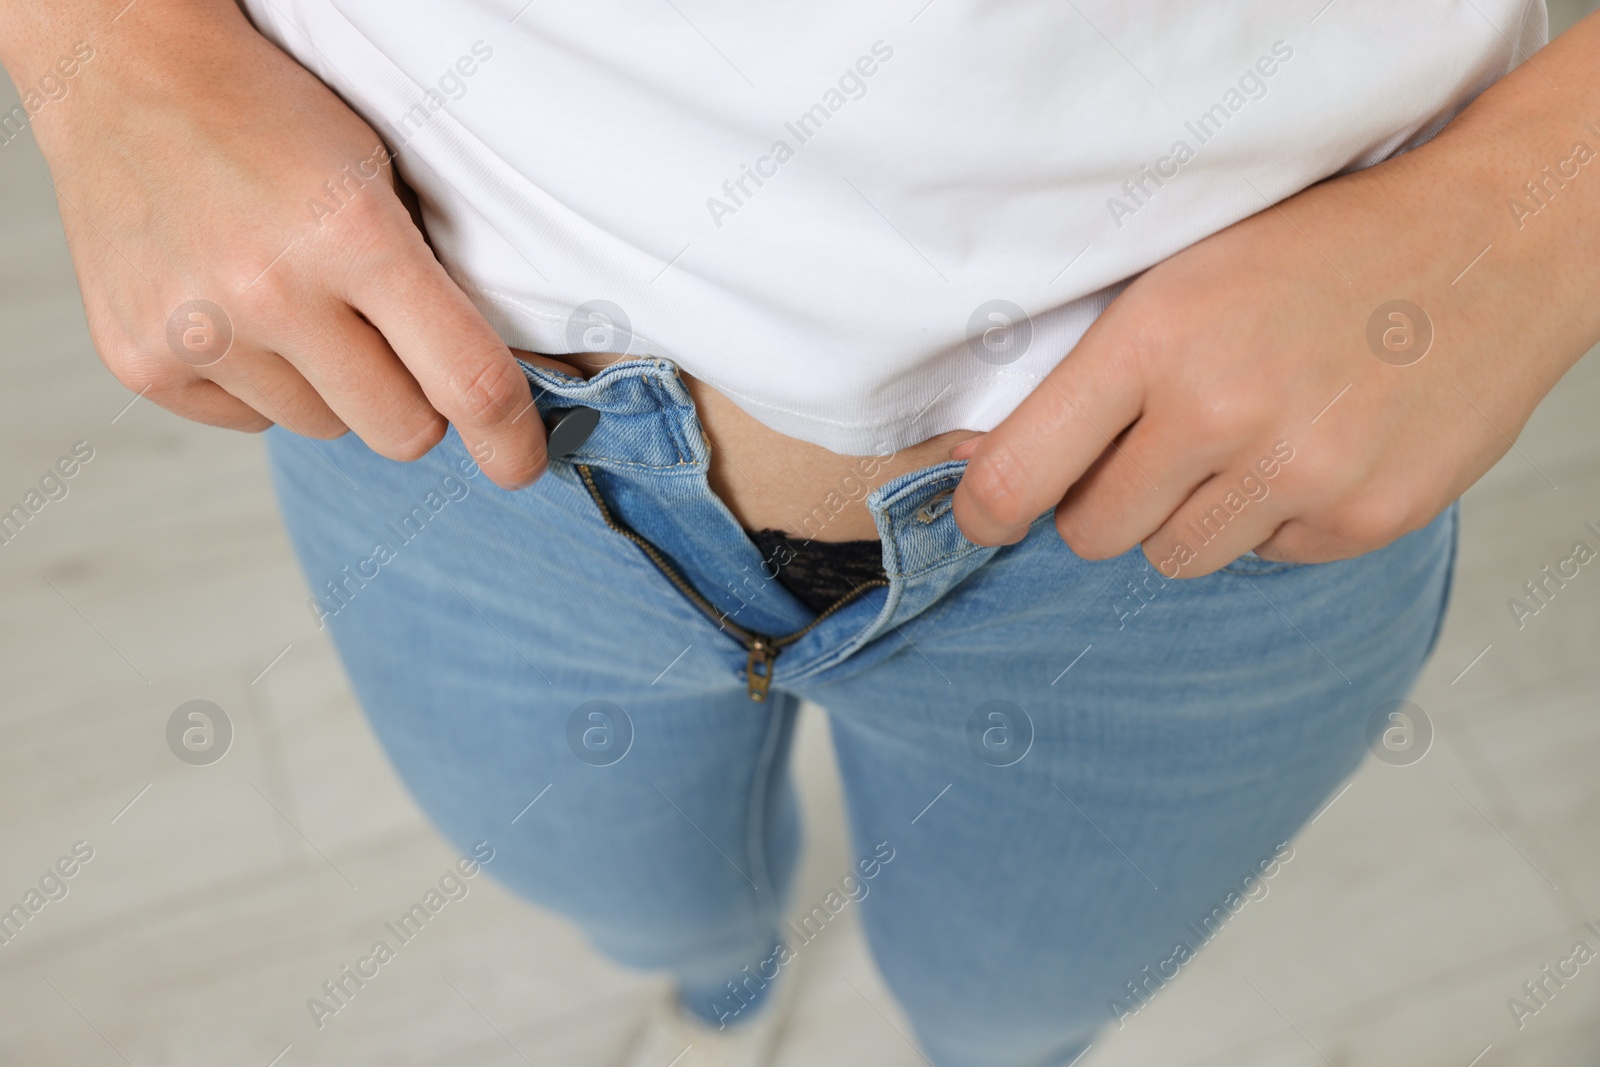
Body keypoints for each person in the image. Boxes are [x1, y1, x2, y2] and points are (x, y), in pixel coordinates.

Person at [4, 1, 1596, 1064]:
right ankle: (723, 984)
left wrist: (1547, 198)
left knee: (1016, 1008)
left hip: (1208, 490)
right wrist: (108, 44)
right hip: (438, 374)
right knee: (640, 901)